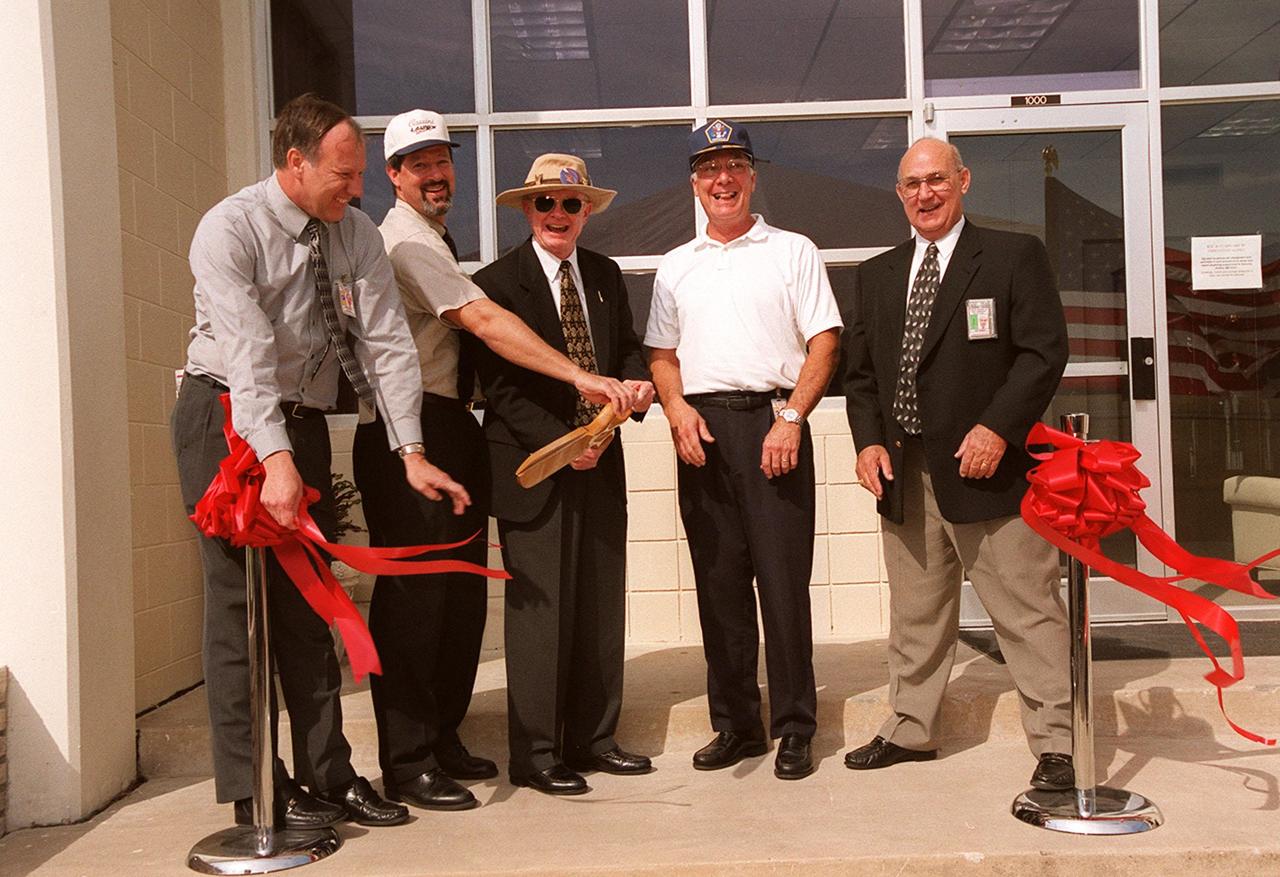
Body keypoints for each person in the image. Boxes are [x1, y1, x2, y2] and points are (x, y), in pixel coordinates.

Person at [172, 93, 470, 829]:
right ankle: (253, 787)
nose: (356, 186)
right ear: (295, 162)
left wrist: (410, 449)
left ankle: (328, 775)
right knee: (240, 603)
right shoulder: (230, 228)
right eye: (343, 172)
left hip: (299, 422)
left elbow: (387, 341)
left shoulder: (354, 232)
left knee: (311, 605)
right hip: (225, 418)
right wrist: (270, 460)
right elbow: (244, 355)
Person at [352, 110, 636, 811]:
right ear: (393, 175)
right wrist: (581, 383)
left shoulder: (436, 241)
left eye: (442, 159)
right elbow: (482, 327)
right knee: (417, 603)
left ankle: (439, 738)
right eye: (418, 163)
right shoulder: (407, 246)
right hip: (407, 432)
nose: (436, 173)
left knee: (454, 600)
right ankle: (409, 757)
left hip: (449, 427)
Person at [839, 136, 1074, 790]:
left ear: (963, 180)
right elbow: (859, 376)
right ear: (899, 192)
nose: (925, 194)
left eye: (937, 179)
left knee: (1026, 608)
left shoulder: (1010, 257)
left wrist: (999, 427)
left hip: (989, 472)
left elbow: (1042, 352)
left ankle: (1057, 740)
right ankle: (911, 726)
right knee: (915, 610)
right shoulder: (878, 273)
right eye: (912, 184)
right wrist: (868, 442)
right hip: (905, 474)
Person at [645, 120, 842, 781]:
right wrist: (674, 409)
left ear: (753, 175)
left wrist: (790, 417)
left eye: (733, 165)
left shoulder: (792, 251)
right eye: (708, 169)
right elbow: (662, 356)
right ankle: (736, 724)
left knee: (782, 585)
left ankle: (793, 727)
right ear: (695, 183)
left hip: (772, 422)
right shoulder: (676, 265)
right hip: (702, 432)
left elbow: (824, 344)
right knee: (719, 587)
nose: (721, 179)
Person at [467, 153, 655, 795]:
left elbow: (626, 345)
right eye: (544, 202)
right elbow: (500, 385)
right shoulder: (495, 283)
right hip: (537, 464)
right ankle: (539, 754)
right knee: (541, 615)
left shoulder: (603, 275)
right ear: (526, 209)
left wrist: (637, 383)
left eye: (570, 204)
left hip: (602, 459)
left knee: (599, 604)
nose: (557, 214)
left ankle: (596, 738)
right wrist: (562, 443)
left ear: (586, 213)